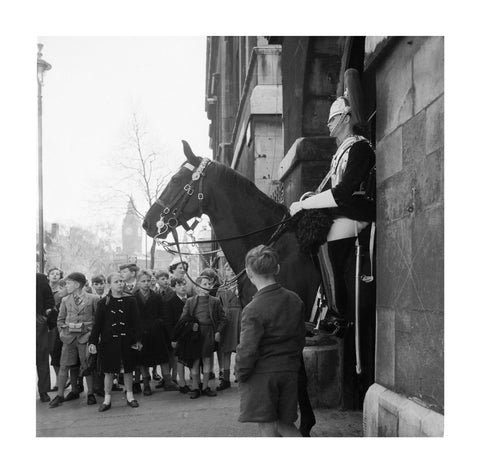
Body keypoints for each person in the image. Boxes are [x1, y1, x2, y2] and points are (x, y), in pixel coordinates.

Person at [289, 94, 375, 335]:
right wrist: (307, 202)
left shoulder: (359, 147)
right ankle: (324, 302)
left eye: (333, 118)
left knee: (325, 241)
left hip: (357, 213)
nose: (328, 124)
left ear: (346, 118)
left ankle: (339, 314)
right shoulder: (342, 151)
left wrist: (305, 205)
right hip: (344, 211)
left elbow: (343, 192)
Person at [236, 245, 305, 437]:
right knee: (286, 425)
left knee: (267, 427)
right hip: (289, 370)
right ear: (277, 269)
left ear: (249, 273)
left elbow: (247, 350)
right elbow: (300, 339)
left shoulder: (252, 308)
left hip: (262, 375)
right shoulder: (295, 300)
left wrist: (240, 372)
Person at [88, 272, 143, 412]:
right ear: (109, 284)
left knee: (128, 369)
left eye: (122, 281)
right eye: (117, 281)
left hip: (127, 341)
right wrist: (93, 342)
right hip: (108, 342)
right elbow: (97, 325)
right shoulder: (103, 302)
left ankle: (130, 396)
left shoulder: (131, 301)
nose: (120, 283)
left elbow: (136, 322)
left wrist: (138, 339)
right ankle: (107, 399)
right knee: (109, 371)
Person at [49, 272, 100, 408]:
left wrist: (91, 334)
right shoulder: (65, 300)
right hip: (69, 338)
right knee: (64, 365)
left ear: (77, 284)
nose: (66, 286)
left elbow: (99, 320)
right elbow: (60, 320)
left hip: (85, 337)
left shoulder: (93, 299)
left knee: (86, 365)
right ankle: (59, 395)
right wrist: (63, 332)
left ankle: (90, 394)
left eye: (69, 283)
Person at [173, 275, 226, 399]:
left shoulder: (215, 301)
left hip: (209, 333)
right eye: (205, 284)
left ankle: (205, 387)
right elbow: (183, 319)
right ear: (197, 287)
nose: (208, 286)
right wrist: (190, 325)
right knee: (195, 361)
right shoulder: (191, 301)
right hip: (194, 335)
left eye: (209, 284)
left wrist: (218, 332)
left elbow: (223, 319)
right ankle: (195, 387)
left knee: (207, 360)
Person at [134, 269, 177, 395]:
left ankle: (168, 381)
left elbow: (162, 314)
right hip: (140, 334)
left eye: (148, 281)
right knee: (142, 359)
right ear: (138, 283)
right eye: (143, 281)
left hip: (156, 332)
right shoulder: (134, 298)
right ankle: (146, 383)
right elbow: (132, 317)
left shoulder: (156, 296)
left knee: (162, 357)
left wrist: (158, 324)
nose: (146, 284)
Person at [216, 262, 242, 391]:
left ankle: (239, 373)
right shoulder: (221, 288)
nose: (230, 272)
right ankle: (225, 378)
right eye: (227, 269)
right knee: (225, 350)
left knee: (240, 348)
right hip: (226, 320)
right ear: (224, 272)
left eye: (232, 269)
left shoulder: (242, 286)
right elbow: (217, 306)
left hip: (240, 317)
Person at [164, 277, 189, 392]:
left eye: (184, 284)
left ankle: (194, 380)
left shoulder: (191, 300)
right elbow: (169, 323)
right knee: (178, 360)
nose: (183, 287)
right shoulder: (170, 302)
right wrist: (173, 338)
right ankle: (180, 382)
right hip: (178, 336)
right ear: (174, 287)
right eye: (179, 285)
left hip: (190, 335)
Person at [47, 267, 67, 391]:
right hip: (45, 324)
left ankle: (62, 381)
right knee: (51, 353)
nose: (55, 276)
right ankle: (59, 379)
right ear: (48, 276)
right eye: (52, 274)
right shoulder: (44, 290)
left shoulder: (62, 292)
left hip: (58, 325)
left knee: (58, 352)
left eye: (57, 274)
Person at [36, 272, 55, 402]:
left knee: (41, 357)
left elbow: (49, 299)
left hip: (37, 322)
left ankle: (43, 391)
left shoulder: (40, 278)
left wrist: (44, 316)